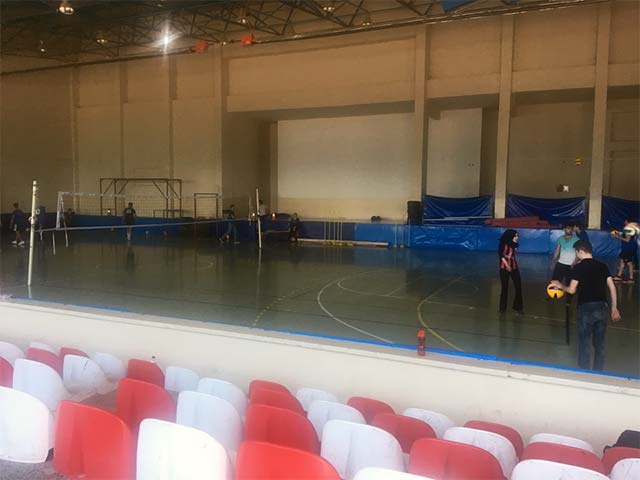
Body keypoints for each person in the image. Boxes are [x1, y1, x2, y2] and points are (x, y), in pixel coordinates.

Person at [552, 240, 620, 371]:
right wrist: (614, 308)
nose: (576, 256)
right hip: (602, 308)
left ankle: (585, 373)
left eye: (576, 253)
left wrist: (560, 286)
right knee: (599, 344)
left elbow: (571, 290)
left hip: (586, 309)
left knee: (584, 344)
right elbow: (612, 287)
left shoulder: (578, 267)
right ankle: (598, 372)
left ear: (580, 252)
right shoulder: (602, 266)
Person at [498, 229, 523, 314]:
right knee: (504, 288)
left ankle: (518, 307)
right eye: (515, 236)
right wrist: (507, 265)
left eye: (517, 236)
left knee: (518, 286)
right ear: (510, 236)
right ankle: (502, 308)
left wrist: (509, 255)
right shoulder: (502, 244)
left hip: (514, 267)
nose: (517, 237)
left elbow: (512, 255)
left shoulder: (515, 244)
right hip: (504, 268)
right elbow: (500, 255)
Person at [612, 219, 637, 283]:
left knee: (629, 263)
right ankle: (619, 276)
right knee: (622, 261)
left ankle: (631, 278)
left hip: (627, 249)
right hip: (628, 248)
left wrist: (617, 237)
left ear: (628, 222)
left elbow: (627, 240)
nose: (624, 222)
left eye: (625, 221)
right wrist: (618, 234)